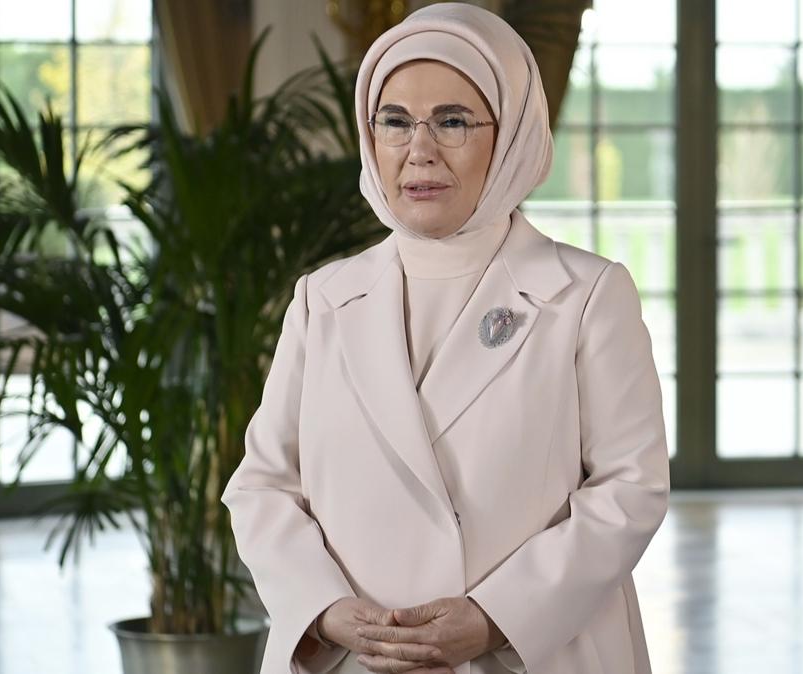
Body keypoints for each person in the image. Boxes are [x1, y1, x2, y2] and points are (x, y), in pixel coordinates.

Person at [220, 3, 670, 674]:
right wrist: (323, 608)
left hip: (526, 654)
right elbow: (261, 485)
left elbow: (631, 489)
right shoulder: (322, 299)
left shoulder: (587, 295)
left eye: (453, 121)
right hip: (355, 659)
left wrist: (497, 617)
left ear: (511, 135)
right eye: (395, 121)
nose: (419, 149)